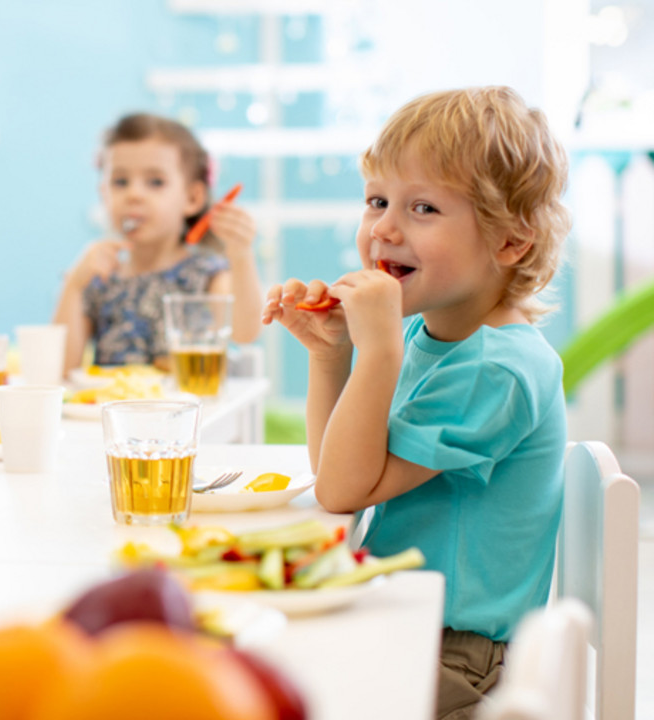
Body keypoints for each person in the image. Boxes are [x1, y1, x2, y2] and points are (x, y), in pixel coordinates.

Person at [262, 86, 569, 720]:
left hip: (455, 657)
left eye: (423, 207)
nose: (384, 229)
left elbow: (342, 491)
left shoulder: (499, 369)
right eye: (377, 200)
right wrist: (331, 355)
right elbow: (339, 470)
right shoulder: (423, 337)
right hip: (408, 616)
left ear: (511, 243)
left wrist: (375, 356)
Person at [53, 112, 263, 370]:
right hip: (112, 410)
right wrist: (74, 284)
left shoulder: (205, 273)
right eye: (120, 182)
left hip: (190, 409)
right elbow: (60, 369)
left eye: (155, 182)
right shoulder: (100, 279)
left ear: (192, 198)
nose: (134, 194)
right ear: (104, 194)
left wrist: (241, 254)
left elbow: (245, 332)